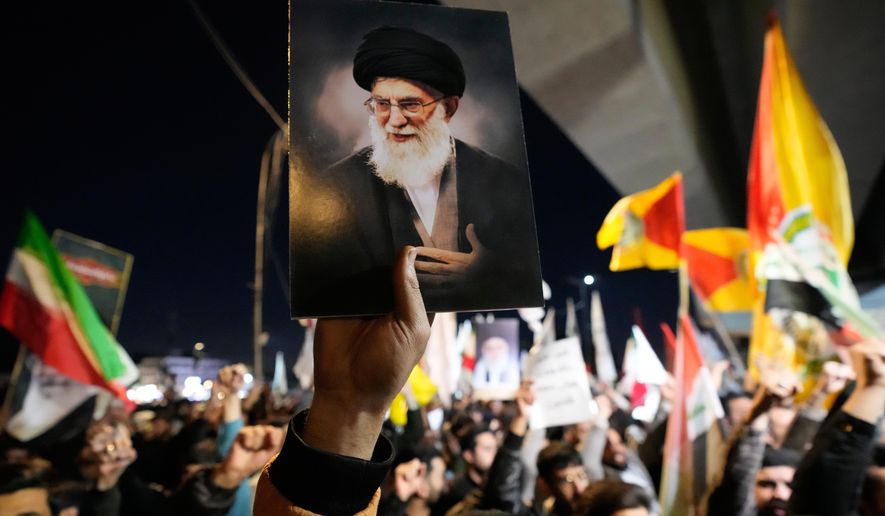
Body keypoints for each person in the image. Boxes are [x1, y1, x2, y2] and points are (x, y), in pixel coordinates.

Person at [291, 26, 540, 316]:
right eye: (382, 104)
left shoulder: (505, 181)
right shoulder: (336, 186)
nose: (394, 120)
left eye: (410, 104)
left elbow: (524, 274)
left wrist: (490, 274)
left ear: (448, 108)